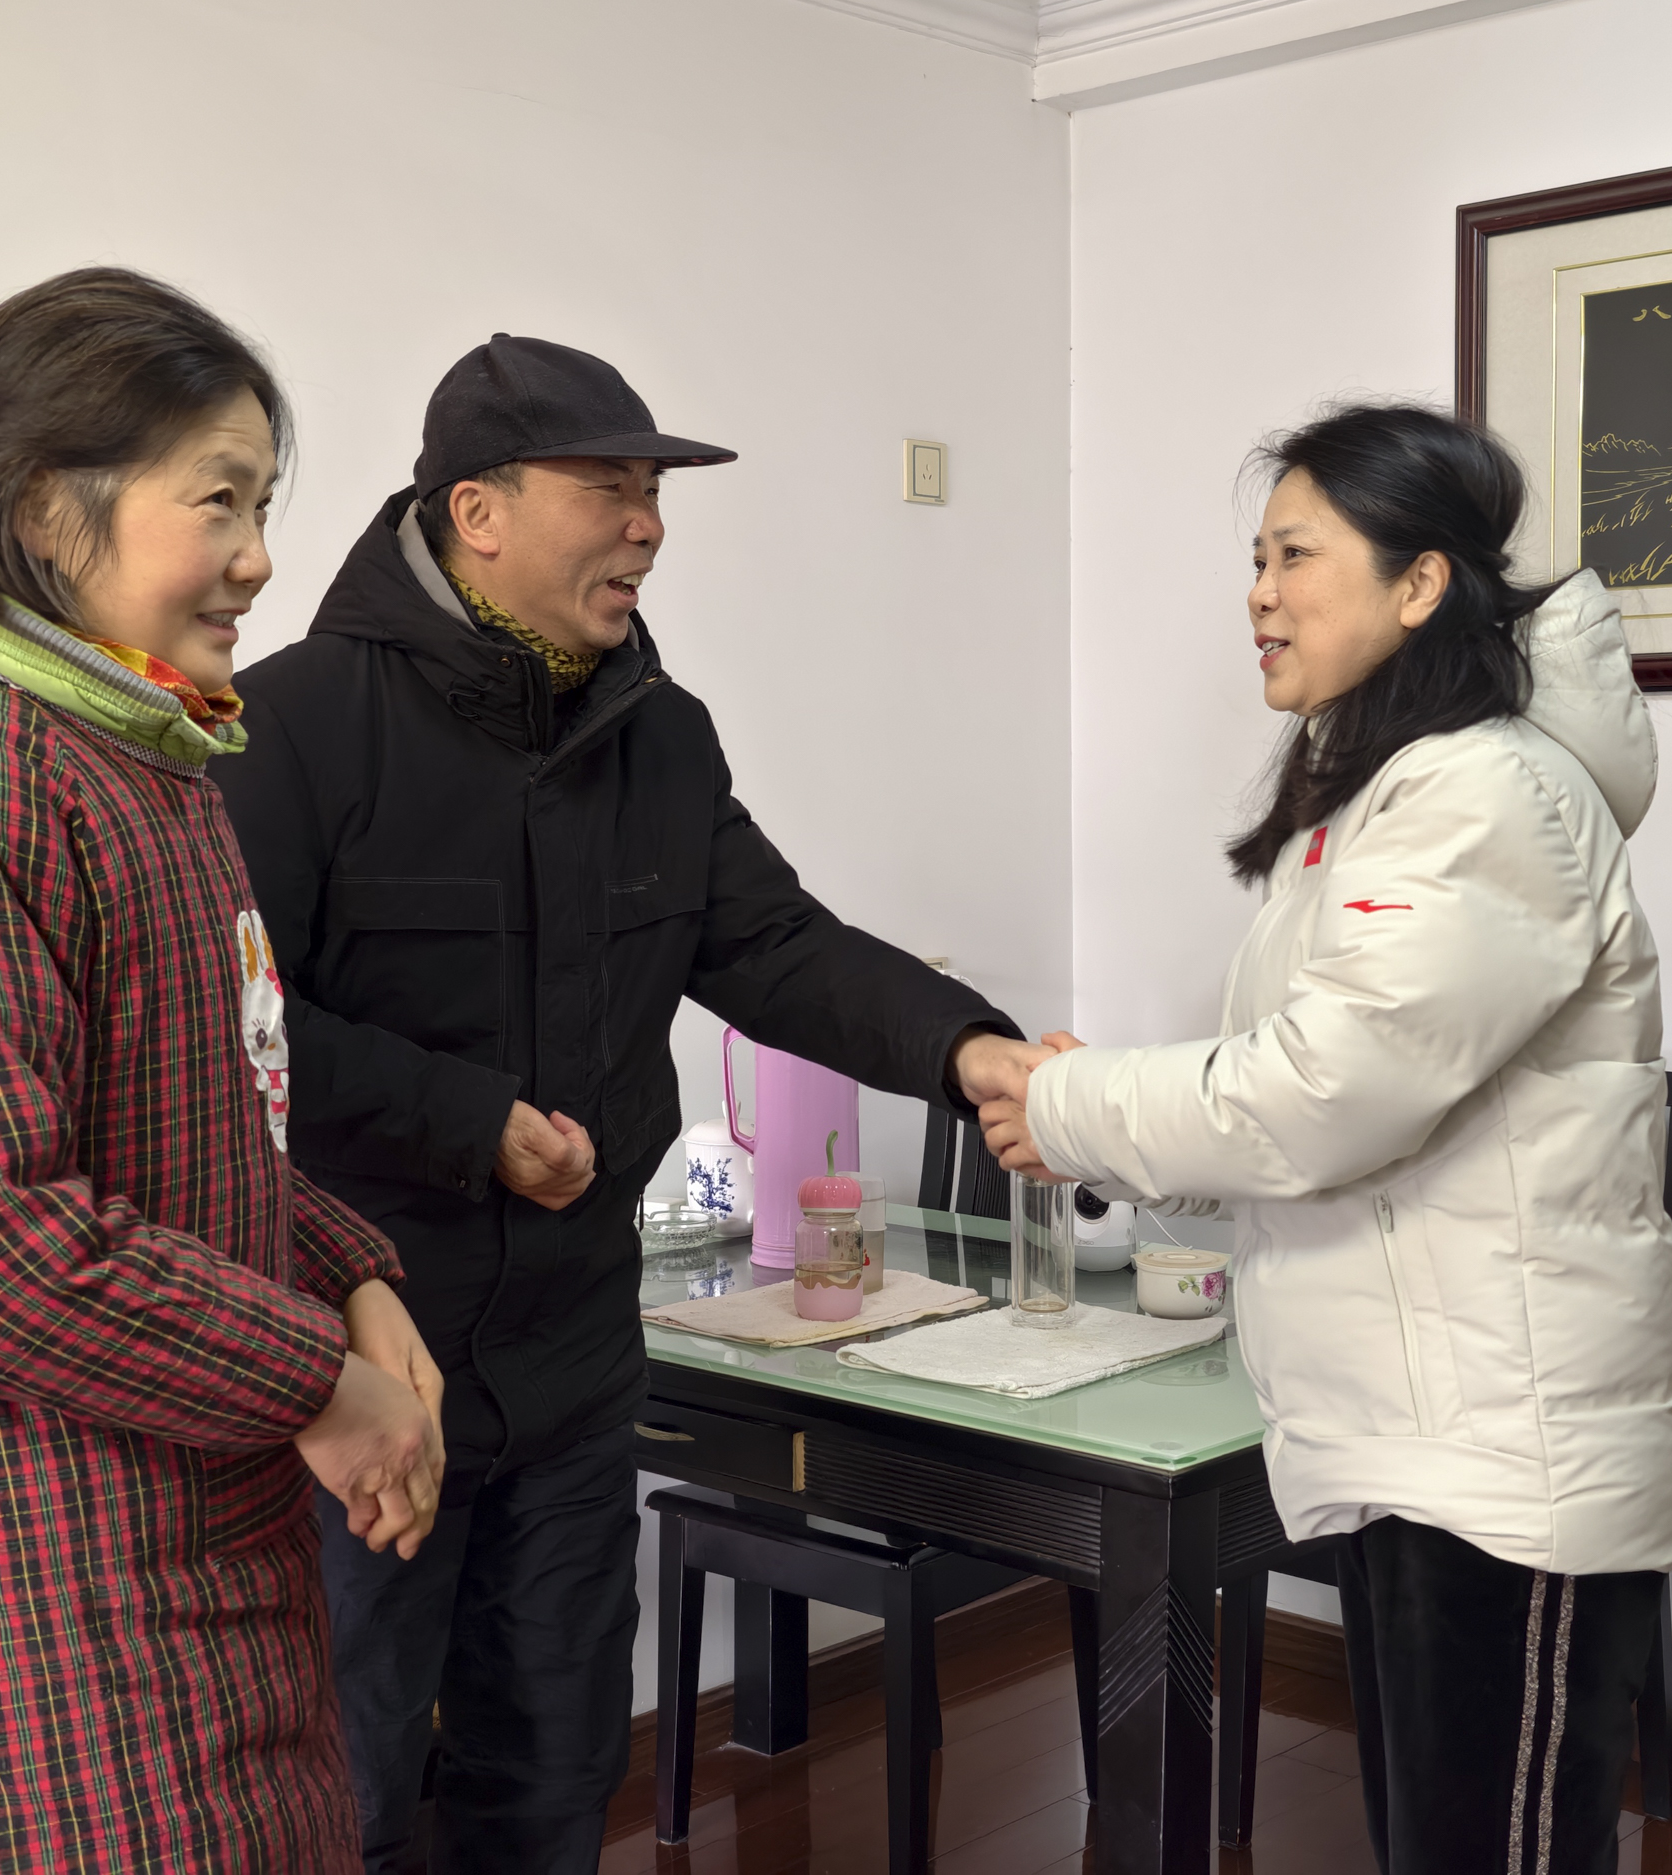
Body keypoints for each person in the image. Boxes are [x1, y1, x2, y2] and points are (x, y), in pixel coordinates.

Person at [211, 334, 1046, 1873]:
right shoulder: (290, 728)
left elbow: (776, 947)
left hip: (577, 1372)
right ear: (478, 512)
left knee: (554, 1775)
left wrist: (968, 1053)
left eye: (654, 494)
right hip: (364, 1368)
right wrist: (468, 1120)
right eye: (609, 490)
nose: (649, 527)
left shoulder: (663, 734)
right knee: (347, 1791)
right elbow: (235, 1032)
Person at [0, 268, 450, 1872]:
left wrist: (352, 1274)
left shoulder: (140, 760)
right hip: (40, 1644)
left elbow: (195, 1128)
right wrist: (318, 1381)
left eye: (262, 503)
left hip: (211, 1596)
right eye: (220, 500)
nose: (259, 557)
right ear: (47, 513)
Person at [977, 404, 1672, 1874]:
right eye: (1256, 559)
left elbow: (1316, 1096)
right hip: (1419, 1437)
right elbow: (1316, 1107)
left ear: (1421, 581)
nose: (1258, 593)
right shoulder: (1381, 796)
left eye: (1294, 555)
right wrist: (1094, 1121)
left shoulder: (1487, 794)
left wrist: (1069, 1106)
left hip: (1506, 1462)